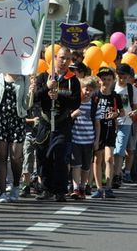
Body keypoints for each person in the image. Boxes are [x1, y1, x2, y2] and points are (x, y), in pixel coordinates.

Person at [33, 46, 81, 202]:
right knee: (43, 156)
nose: (64, 61)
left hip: (62, 123)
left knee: (60, 156)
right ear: (55, 58)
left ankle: (60, 190)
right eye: (61, 58)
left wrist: (58, 95)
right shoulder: (43, 77)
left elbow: (76, 102)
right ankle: (46, 188)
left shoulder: (72, 80)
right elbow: (34, 98)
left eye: (68, 58)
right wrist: (47, 88)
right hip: (45, 123)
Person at [0, 73, 30, 203]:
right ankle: (2, 192)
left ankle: (16, 186)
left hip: (17, 120)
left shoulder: (24, 78)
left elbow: (27, 104)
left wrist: (31, 92)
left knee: (15, 157)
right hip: (1, 120)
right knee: (1, 156)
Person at [92, 67, 123, 199]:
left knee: (109, 158)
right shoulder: (95, 96)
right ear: (99, 81)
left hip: (110, 129)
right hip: (98, 130)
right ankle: (99, 188)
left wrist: (115, 114)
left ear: (113, 80)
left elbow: (122, 111)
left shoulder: (115, 96)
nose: (106, 82)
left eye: (109, 79)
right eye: (103, 79)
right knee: (97, 159)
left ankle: (109, 187)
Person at [69, 77, 100, 199]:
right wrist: (73, 114)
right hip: (75, 139)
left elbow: (97, 124)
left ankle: (82, 186)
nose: (88, 92)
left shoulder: (94, 105)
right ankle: (76, 188)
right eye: (86, 89)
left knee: (86, 166)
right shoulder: (76, 103)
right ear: (81, 89)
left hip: (89, 140)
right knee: (75, 165)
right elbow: (68, 119)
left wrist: (96, 140)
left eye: (91, 90)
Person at [112, 64, 137, 187]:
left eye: (125, 77)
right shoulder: (112, 86)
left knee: (119, 150)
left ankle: (117, 175)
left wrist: (134, 112)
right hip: (111, 122)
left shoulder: (131, 89)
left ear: (129, 77)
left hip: (126, 122)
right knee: (110, 151)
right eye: (120, 77)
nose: (122, 80)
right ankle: (109, 174)